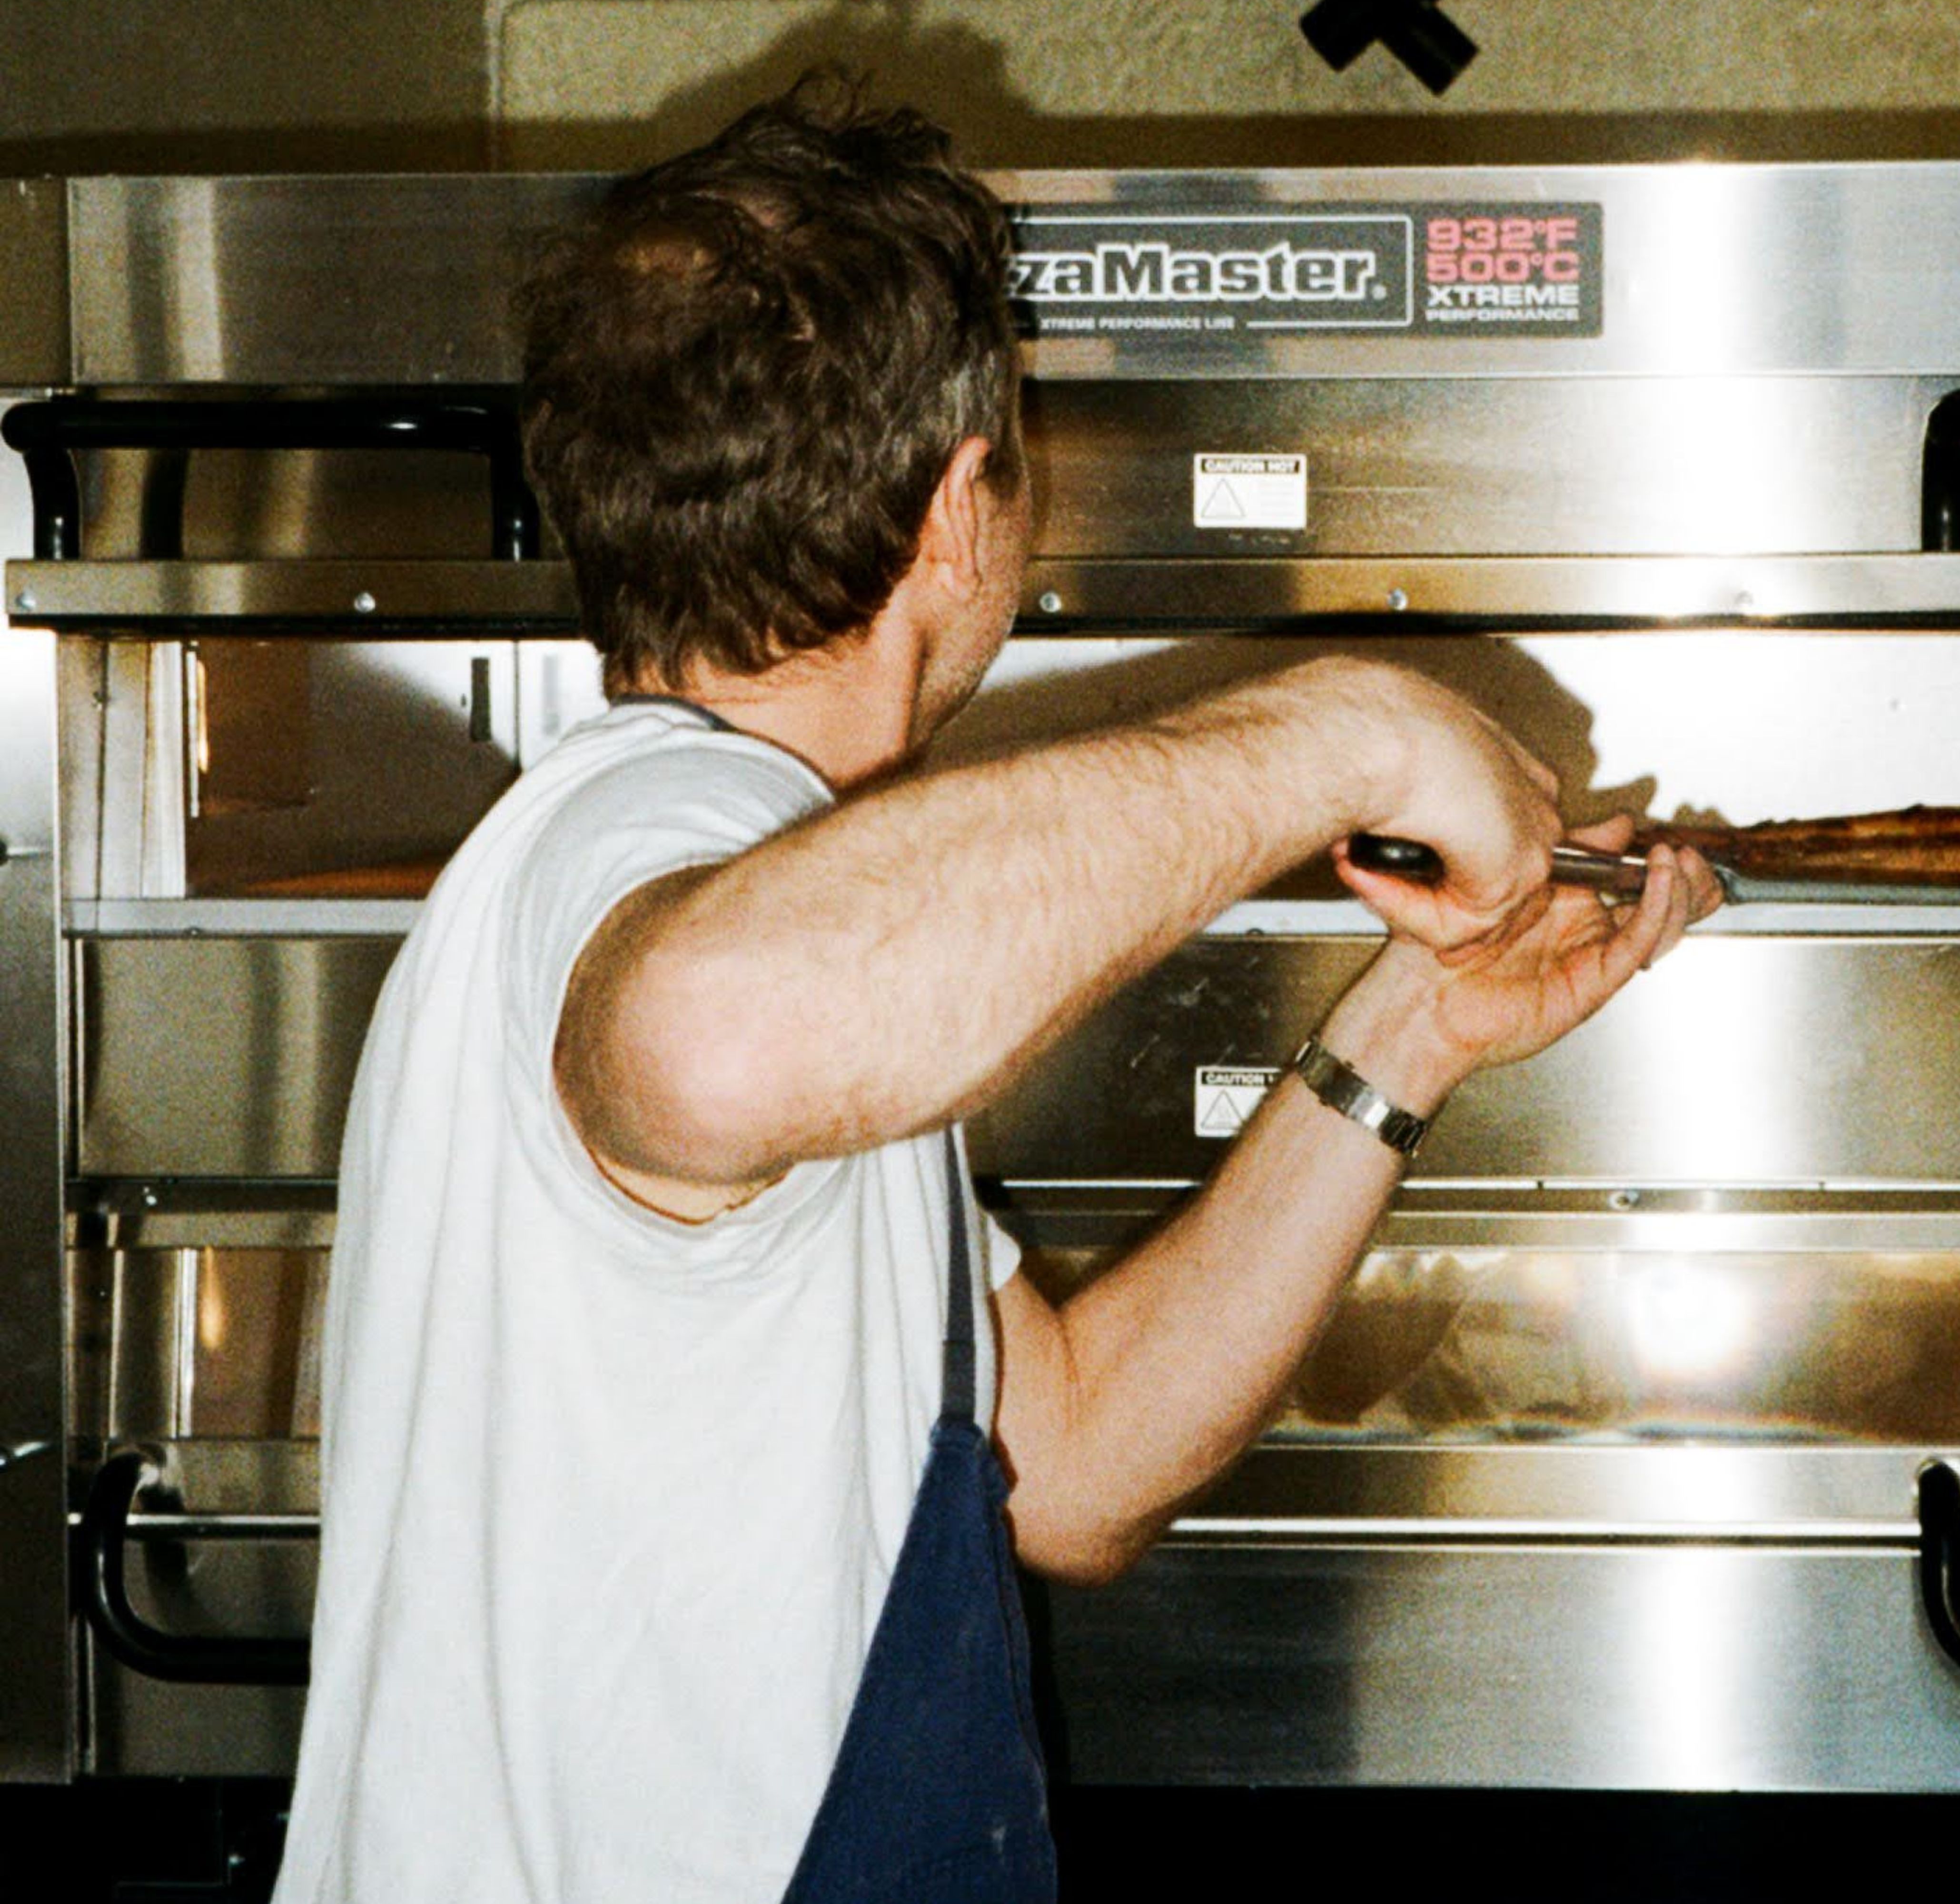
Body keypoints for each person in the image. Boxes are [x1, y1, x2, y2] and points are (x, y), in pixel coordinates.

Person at [268, 78, 1717, 1904]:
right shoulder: (656, 839)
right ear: (964, 510)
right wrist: (1359, 724)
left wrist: (1412, 1030)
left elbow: (1079, 1464)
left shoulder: (773, 900)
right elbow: (722, 1024)